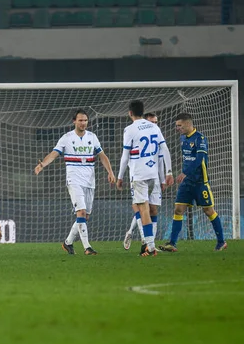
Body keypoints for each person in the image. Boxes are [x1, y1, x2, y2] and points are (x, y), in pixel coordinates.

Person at [34, 109, 115, 255]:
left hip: (89, 181)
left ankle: (68, 242)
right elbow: (54, 154)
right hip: (74, 180)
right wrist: (42, 165)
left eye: (85, 120)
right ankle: (87, 247)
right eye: (80, 120)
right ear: (74, 121)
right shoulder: (67, 138)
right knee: (81, 212)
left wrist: (110, 171)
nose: (83, 123)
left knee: (85, 216)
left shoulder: (92, 137)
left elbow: (102, 155)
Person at [159, 113, 227, 252]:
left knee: (208, 211)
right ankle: (172, 243)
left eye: (179, 125)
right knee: (178, 209)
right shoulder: (183, 138)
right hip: (186, 183)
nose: (177, 128)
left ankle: (221, 242)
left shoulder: (200, 138)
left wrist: (185, 172)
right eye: (176, 125)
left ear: (188, 124)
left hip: (200, 182)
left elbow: (199, 159)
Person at [117, 101, 171, 257]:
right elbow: (165, 149)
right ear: (143, 111)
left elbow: (125, 156)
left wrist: (120, 177)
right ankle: (148, 245)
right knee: (151, 209)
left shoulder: (129, 129)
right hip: (153, 174)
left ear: (130, 113)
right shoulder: (154, 127)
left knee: (144, 209)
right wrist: (169, 172)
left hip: (139, 175)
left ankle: (150, 247)